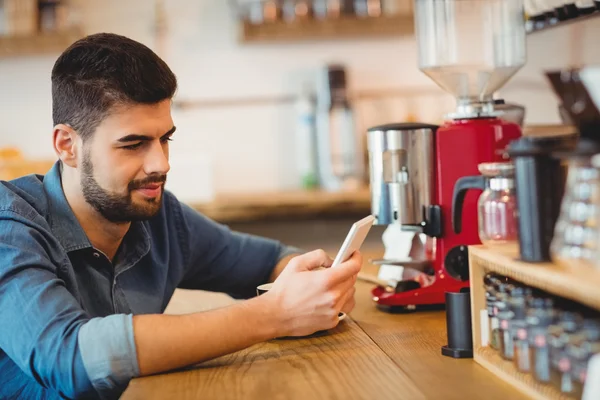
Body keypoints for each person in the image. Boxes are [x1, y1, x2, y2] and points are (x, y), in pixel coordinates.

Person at [0, 32, 362, 400]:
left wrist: (319, 288)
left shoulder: (160, 217)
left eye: (165, 139)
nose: (161, 163)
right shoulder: (9, 228)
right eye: (133, 144)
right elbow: (70, 357)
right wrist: (276, 313)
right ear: (67, 146)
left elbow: (270, 261)